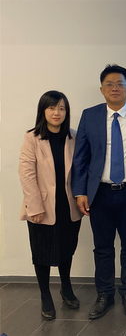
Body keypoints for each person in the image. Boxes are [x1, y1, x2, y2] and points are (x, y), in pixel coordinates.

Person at [72, 65, 126, 319]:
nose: (115, 88)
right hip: (100, 194)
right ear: (102, 89)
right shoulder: (90, 115)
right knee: (102, 247)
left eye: (120, 84)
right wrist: (80, 192)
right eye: (109, 84)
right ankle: (104, 294)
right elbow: (80, 158)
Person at [19, 91, 82, 320]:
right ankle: (45, 296)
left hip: (68, 205)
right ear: (43, 110)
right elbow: (26, 174)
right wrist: (35, 207)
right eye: (52, 108)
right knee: (42, 253)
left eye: (62, 108)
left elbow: (80, 169)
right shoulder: (32, 137)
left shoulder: (73, 136)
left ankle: (66, 288)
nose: (57, 113)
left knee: (67, 248)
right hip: (42, 207)